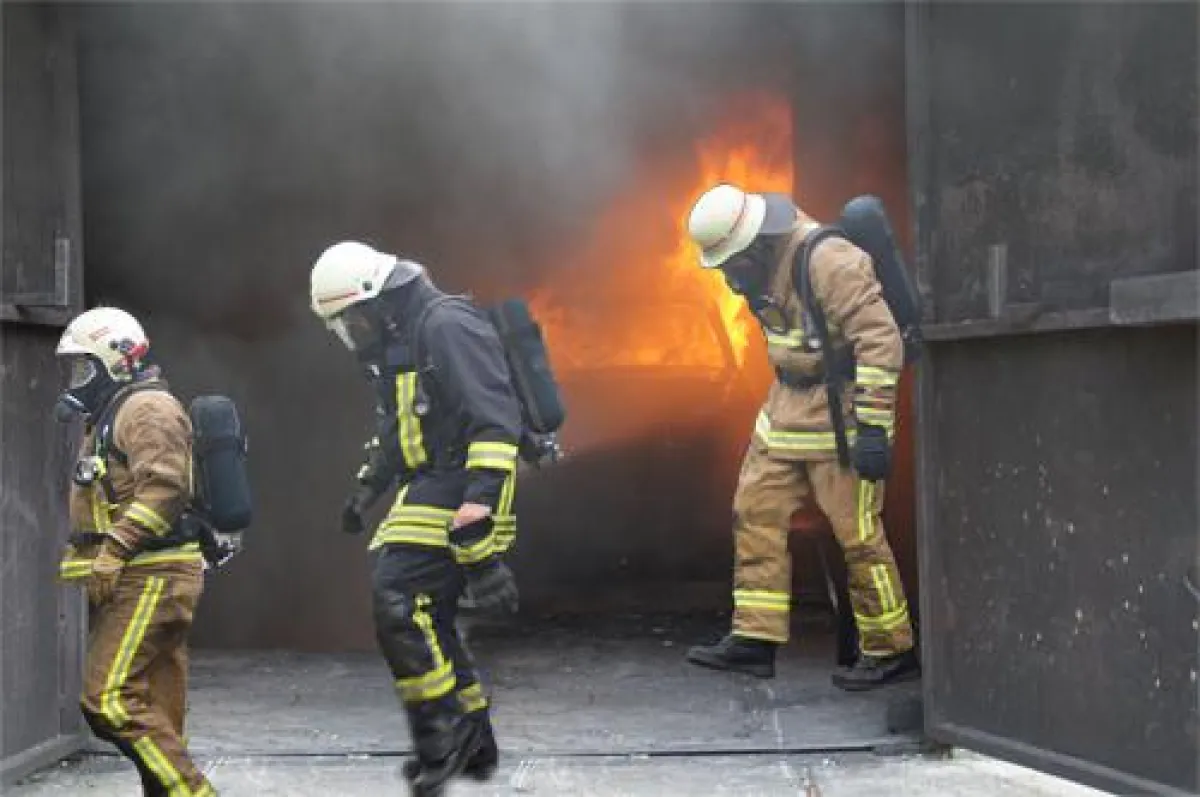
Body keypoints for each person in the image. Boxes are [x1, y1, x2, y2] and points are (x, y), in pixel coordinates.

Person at [682, 184, 920, 691]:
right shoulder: (761, 269)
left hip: (840, 413)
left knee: (857, 535)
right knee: (755, 511)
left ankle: (890, 648)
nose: (729, 279)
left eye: (732, 264)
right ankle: (755, 639)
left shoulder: (828, 260)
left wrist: (873, 428)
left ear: (757, 245)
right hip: (786, 405)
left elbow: (881, 340)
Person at [309, 240, 522, 795]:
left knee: (398, 600)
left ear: (376, 301)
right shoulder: (401, 338)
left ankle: (443, 734)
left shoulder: (446, 326)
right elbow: (399, 427)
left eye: (352, 321)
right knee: (430, 609)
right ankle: (471, 735)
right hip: (431, 482)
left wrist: (479, 505)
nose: (352, 334)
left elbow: (496, 421)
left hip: (466, 481)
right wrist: (367, 488)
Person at [54, 306, 217, 796]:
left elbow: (165, 488)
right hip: (144, 574)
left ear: (117, 359)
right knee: (157, 707)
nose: (78, 380)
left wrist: (114, 550)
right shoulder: (118, 410)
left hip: (152, 574)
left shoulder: (146, 409)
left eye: (85, 367)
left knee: (107, 698)